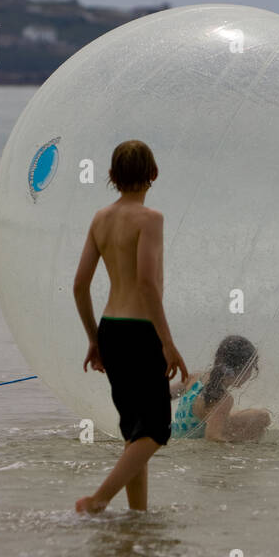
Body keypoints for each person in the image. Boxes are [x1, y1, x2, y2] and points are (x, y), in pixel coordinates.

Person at [73, 140, 190, 513]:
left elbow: (79, 285)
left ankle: (138, 515)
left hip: (110, 329)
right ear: (153, 174)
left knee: (135, 431)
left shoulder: (100, 219)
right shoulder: (149, 219)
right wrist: (167, 342)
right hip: (140, 333)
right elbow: (146, 284)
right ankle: (97, 500)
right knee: (156, 430)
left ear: (112, 176)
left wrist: (93, 339)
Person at [168, 335, 272, 441]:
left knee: (256, 414)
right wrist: (237, 446)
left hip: (175, 434)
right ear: (244, 369)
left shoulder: (195, 378)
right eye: (251, 368)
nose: (250, 374)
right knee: (262, 418)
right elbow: (213, 437)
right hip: (192, 443)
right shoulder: (223, 399)